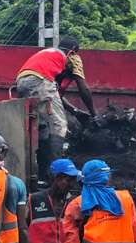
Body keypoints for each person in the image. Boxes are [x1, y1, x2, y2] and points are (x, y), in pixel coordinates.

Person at [15, 36, 96, 180]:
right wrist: (93, 114)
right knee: (59, 126)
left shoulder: (49, 54)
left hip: (22, 83)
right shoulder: (72, 57)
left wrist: (75, 111)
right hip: (40, 81)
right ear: (73, 52)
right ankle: (55, 174)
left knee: (43, 129)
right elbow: (83, 88)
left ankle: (40, 175)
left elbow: (55, 95)